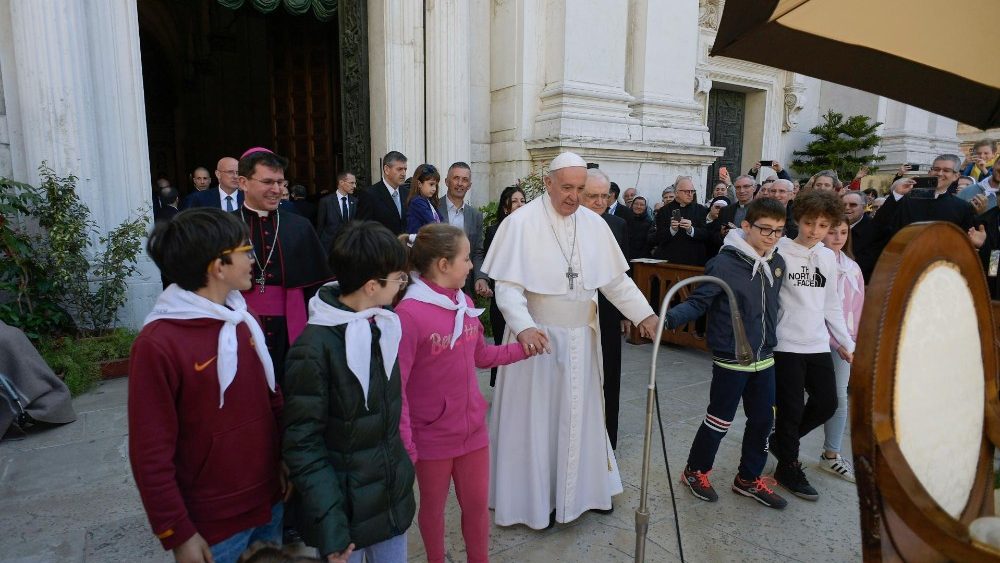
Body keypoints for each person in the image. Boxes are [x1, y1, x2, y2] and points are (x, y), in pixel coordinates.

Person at [482, 151, 659, 529]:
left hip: (581, 339)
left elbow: (615, 282)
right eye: (567, 188)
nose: (574, 197)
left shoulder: (594, 226)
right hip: (538, 342)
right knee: (538, 422)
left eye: (581, 189)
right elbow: (508, 288)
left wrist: (645, 315)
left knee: (579, 417)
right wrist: (524, 326)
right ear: (548, 183)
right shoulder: (521, 223)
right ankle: (535, 500)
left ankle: (581, 494)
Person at [129, 208, 287, 563]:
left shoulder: (243, 319)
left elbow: (271, 398)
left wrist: (284, 460)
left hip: (268, 502)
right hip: (213, 523)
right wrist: (177, 532)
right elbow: (149, 453)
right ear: (218, 267)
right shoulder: (158, 343)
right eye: (245, 251)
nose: (253, 259)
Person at [395, 224, 532, 563]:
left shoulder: (464, 301)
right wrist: (407, 444)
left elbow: (481, 357)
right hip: (432, 437)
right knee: (434, 509)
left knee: (476, 507)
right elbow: (395, 387)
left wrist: (524, 348)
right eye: (466, 259)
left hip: (472, 430)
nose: (472, 266)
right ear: (443, 264)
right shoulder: (409, 314)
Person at [282, 221, 415, 563]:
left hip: (387, 506)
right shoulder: (313, 348)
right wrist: (331, 530)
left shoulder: (381, 326)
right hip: (344, 521)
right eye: (399, 278)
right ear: (372, 286)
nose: (404, 284)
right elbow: (304, 446)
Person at [666, 198, 789, 509]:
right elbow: (699, 302)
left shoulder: (777, 262)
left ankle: (748, 478)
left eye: (778, 231)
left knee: (763, 421)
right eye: (765, 229)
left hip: (766, 357)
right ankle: (695, 471)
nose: (771, 237)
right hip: (733, 358)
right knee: (720, 420)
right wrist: (665, 320)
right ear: (746, 226)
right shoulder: (724, 263)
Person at [771, 190, 855, 502]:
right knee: (790, 410)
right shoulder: (779, 249)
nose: (815, 231)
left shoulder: (827, 256)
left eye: (823, 226)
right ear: (797, 220)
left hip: (818, 342)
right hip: (786, 343)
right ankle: (788, 467)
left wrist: (846, 342)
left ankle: (781, 442)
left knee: (827, 403)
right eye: (810, 223)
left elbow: (831, 304)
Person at [234, 148, 331, 385]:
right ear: (243, 183)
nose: (277, 189)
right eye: (268, 182)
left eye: (280, 182)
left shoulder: (300, 226)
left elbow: (318, 287)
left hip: (291, 329)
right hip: (238, 326)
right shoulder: (225, 226)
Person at [582, 168, 629, 449]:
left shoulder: (618, 225)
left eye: (604, 196)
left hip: (609, 312)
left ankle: (607, 442)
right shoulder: (566, 224)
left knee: (609, 376)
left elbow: (625, 274)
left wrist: (626, 313)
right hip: (575, 312)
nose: (599, 202)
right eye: (592, 196)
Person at [819, 218, 863, 483]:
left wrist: (851, 342)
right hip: (814, 338)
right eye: (832, 232)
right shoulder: (817, 262)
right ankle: (781, 448)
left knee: (838, 396)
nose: (837, 237)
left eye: (843, 232)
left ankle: (832, 454)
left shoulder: (852, 267)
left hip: (843, 344)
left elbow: (857, 307)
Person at [483, 185, 527, 387]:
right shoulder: (494, 231)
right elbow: (490, 264)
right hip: (502, 296)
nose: (519, 204)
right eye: (515, 201)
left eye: (522, 201)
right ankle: (500, 385)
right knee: (502, 341)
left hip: (526, 297)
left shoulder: (533, 231)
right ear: (506, 207)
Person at [437, 162, 490, 298]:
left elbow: (477, 252)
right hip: (437, 283)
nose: (460, 183)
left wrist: (480, 278)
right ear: (446, 181)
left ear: (469, 186)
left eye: (465, 180)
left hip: (465, 288)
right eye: (456, 178)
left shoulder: (475, 215)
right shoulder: (433, 209)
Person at [890, 154, 977, 235]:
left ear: (956, 176)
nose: (939, 173)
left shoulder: (962, 207)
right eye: (936, 169)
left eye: (946, 170)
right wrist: (896, 194)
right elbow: (885, 226)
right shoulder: (907, 198)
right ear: (930, 171)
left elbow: (965, 241)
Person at [652, 176, 709, 266]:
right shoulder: (664, 210)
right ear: (677, 193)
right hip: (670, 260)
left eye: (692, 191)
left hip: (693, 261)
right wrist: (672, 230)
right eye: (686, 191)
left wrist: (691, 230)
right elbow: (658, 237)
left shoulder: (700, 209)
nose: (690, 194)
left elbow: (706, 234)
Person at [358, 151, 410, 234]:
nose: (403, 173)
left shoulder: (407, 193)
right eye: (399, 169)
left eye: (405, 169)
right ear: (386, 169)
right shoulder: (370, 195)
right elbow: (363, 229)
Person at [317, 172, 358, 250]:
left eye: (355, 183)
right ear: (341, 182)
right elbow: (320, 226)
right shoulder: (326, 201)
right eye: (352, 183)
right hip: (329, 246)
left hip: (349, 246)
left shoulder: (355, 201)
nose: (354, 186)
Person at [405, 164, 442, 233]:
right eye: (431, 184)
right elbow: (433, 224)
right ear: (419, 184)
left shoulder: (429, 201)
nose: (434, 189)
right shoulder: (417, 202)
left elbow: (441, 222)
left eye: (435, 185)